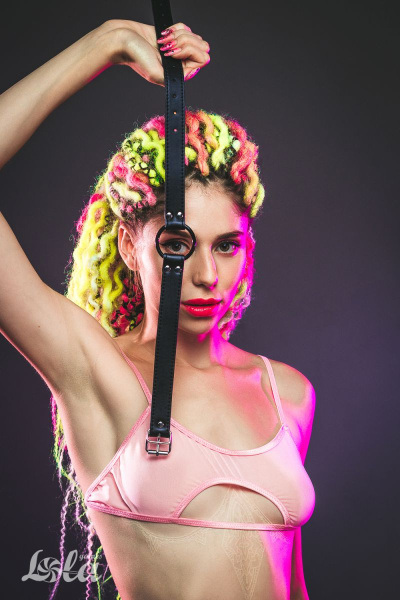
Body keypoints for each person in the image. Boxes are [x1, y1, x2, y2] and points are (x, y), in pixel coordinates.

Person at [0, 17, 316, 600]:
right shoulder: (98, 373)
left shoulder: (287, 393)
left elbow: (292, 582)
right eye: (177, 244)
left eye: (227, 245)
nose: (206, 275)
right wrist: (108, 42)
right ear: (129, 245)